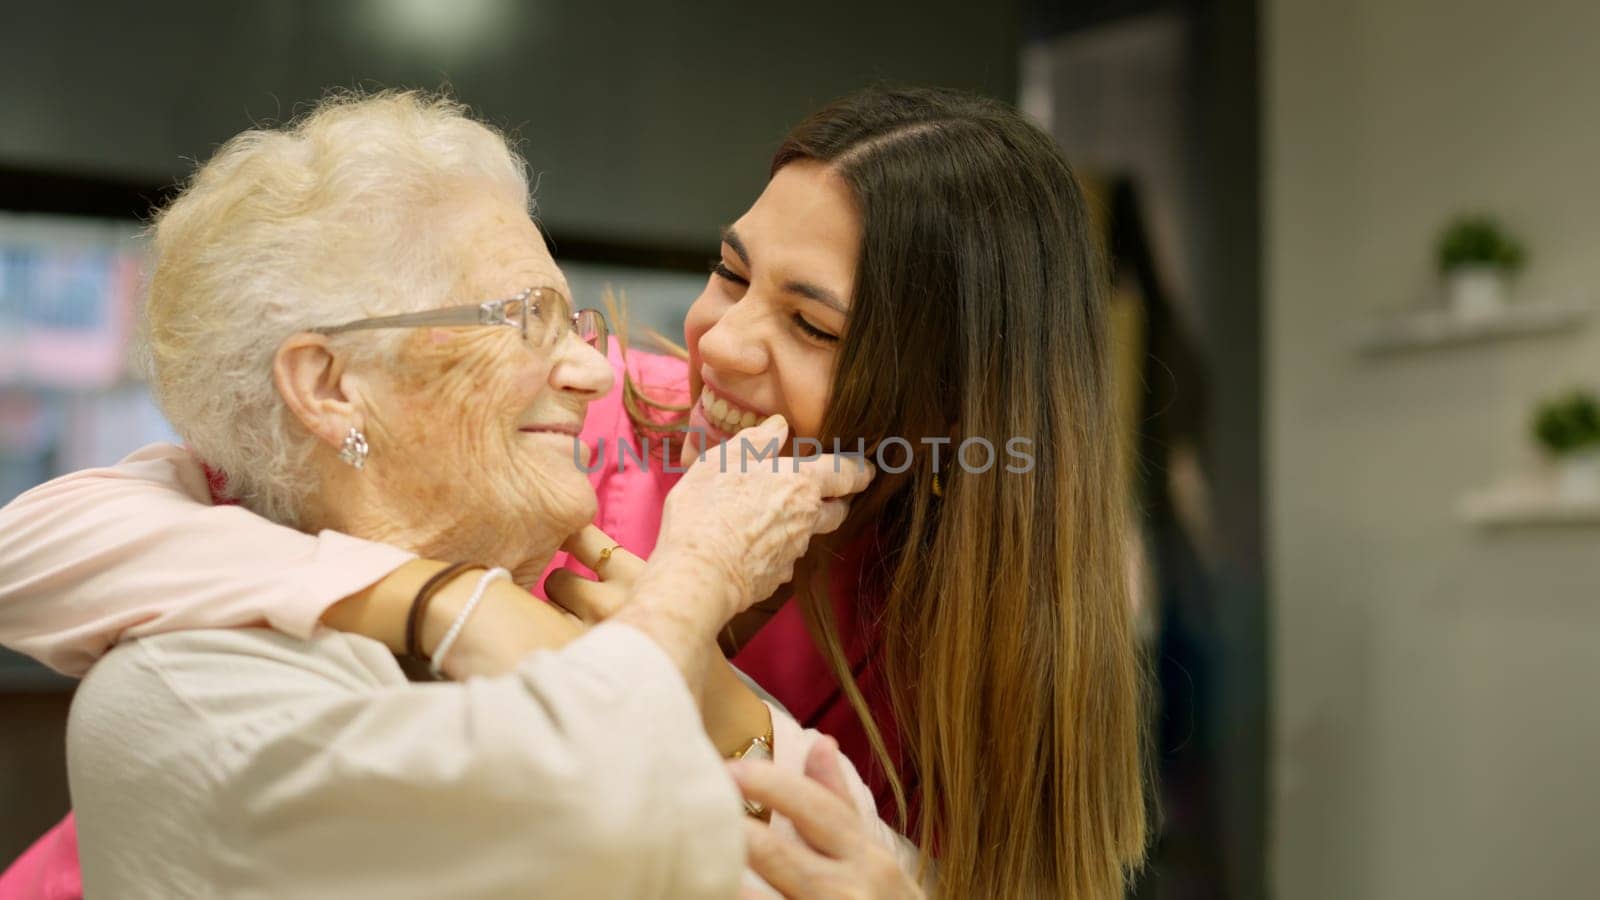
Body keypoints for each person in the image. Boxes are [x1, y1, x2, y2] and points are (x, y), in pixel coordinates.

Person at [2, 86, 1147, 898]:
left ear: (947, 412)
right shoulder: (598, 424)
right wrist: (444, 601)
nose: (718, 347)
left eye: (809, 325)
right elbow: (37, 548)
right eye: (730, 273)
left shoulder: (971, 639)